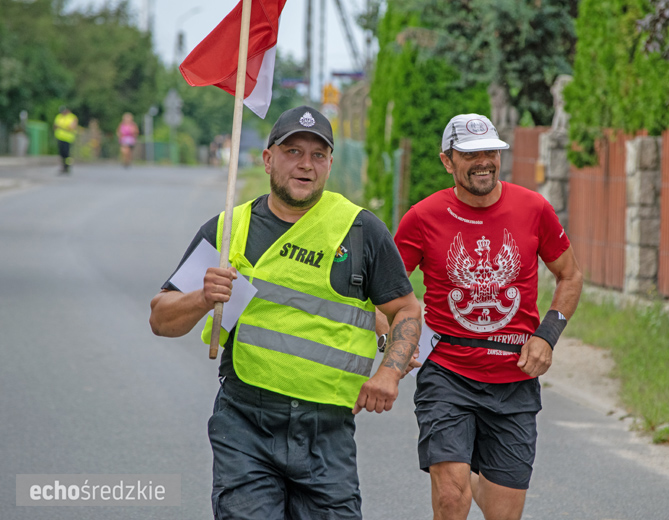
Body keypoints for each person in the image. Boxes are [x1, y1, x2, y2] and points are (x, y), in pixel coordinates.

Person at [149, 105, 421, 520]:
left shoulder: (361, 230)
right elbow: (160, 318)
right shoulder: (229, 229)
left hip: (327, 431)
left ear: (330, 163)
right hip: (246, 422)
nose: (305, 165)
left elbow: (405, 308)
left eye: (317, 155)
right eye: (293, 151)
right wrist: (202, 298)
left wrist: (389, 372)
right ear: (268, 158)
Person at [393, 113, 583, 520]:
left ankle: (477, 479)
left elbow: (570, 274)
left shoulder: (533, 208)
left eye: (491, 152)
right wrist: (394, 342)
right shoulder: (422, 218)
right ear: (448, 161)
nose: (484, 161)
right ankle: (463, 482)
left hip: (514, 379)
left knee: (502, 513)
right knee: (450, 497)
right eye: (471, 154)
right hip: (447, 372)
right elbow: (386, 293)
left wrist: (547, 336)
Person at [53, 106, 78, 174]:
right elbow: (55, 126)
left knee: (67, 154)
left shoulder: (72, 117)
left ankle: (67, 166)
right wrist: (65, 127)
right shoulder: (59, 116)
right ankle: (63, 167)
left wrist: (61, 127)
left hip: (68, 139)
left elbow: (72, 127)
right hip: (60, 138)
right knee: (61, 153)